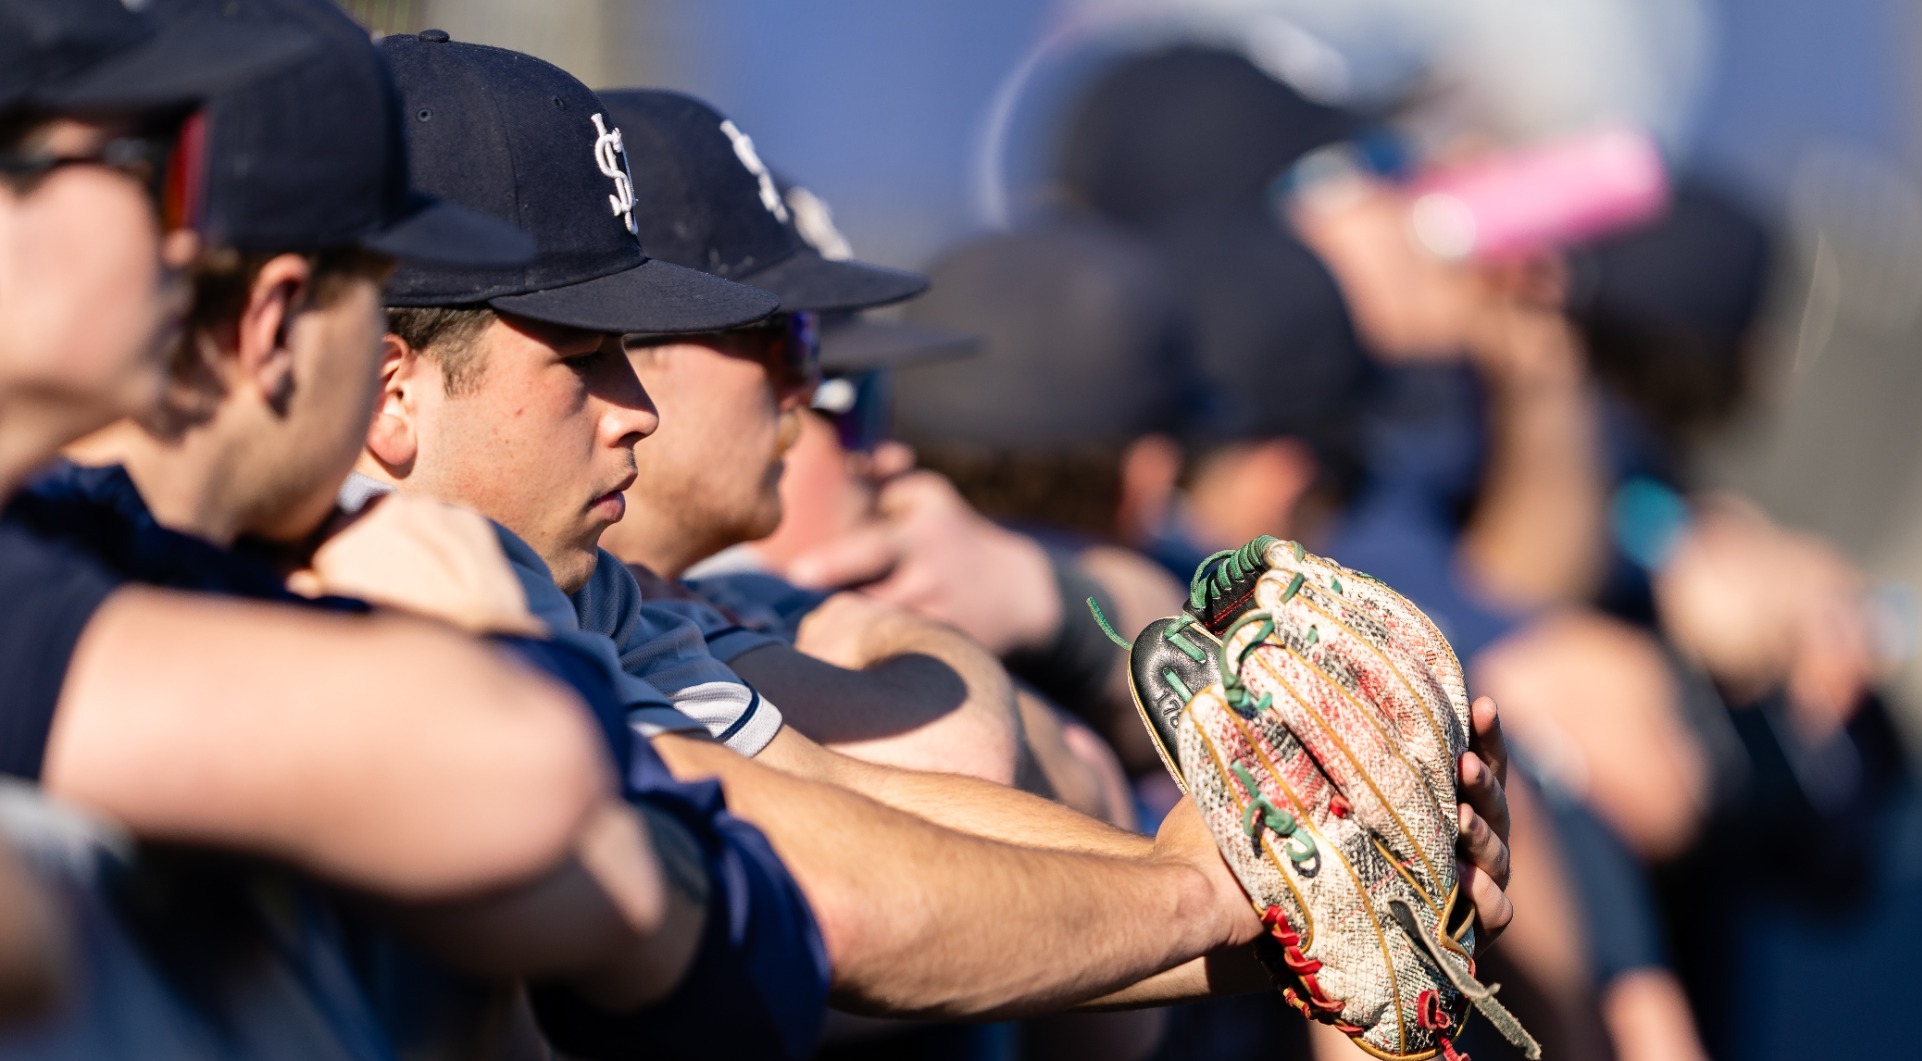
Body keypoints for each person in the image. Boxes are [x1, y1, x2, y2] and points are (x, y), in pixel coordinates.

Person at [354, 34, 1517, 1028]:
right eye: (584, 352)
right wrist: (1226, 895)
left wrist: (1281, 885)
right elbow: (833, 891)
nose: (635, 406)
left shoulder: (577, 590)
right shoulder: (375, 594)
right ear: (391, 393)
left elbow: (847, 806)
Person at [1, 1, 788, 1055]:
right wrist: (501, 647)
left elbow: (731, 942)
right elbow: (532, 776)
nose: (181, 239)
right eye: (142, 166)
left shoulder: (118, 543)